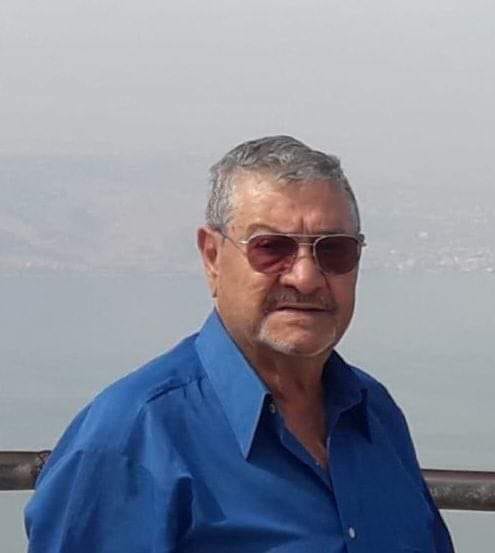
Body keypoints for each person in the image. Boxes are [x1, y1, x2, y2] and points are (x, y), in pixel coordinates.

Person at [25, 135, 455, 552]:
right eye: (272, 248)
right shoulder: (131, 439)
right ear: (212, 257)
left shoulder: (374, 415)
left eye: (334, 251)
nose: (305, 277)